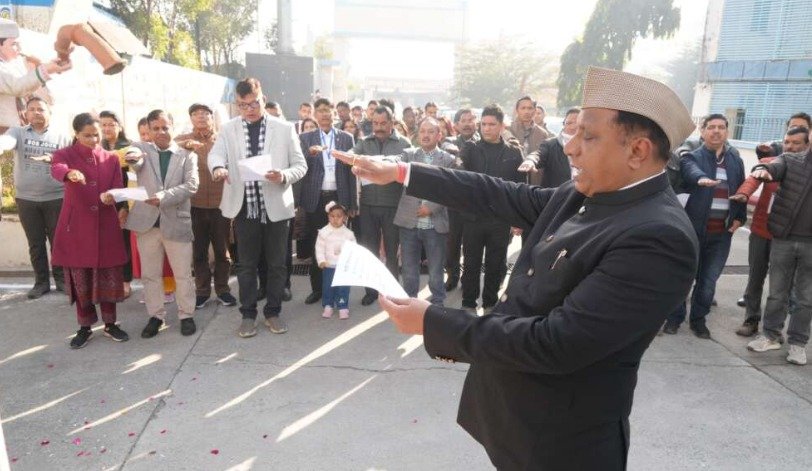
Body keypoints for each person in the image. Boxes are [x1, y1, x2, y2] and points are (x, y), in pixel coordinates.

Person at [332, 66, 699, 470]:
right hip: (517, 419)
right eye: (573, 132)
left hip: (564, 442)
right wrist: (403, 172)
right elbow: (498, 193)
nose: (570, 148)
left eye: (587, 136)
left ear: (638, 151)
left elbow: (557, 343)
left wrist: (433, 322)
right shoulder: (586, 192)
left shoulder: (658, 238)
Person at [209, 78, 307, 338]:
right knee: (246, 265)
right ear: (237, 104)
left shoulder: (284, 128)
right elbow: (216, 154)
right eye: (243, 105)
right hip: (245, 207)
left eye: (253, 104)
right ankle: (248, 314)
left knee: (277, 265)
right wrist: (218, 168)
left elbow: (300, 165)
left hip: (276, 206)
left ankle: (273, 312)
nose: (249, 110)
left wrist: (283, 175)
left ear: (263, 99)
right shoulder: (229, 129)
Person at [663, 114, 746, 339]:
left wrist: (739, 218)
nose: (716, 131)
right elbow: (691, 171)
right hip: (692, 231)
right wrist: (700, 179)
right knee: (683, 277)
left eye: (721, 127)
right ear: (703, 131)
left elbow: (740, 191)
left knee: (708, 282)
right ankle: (674, 319)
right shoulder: (692, 157)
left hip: (721, 234)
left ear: (727, 131)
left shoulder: (735, 161)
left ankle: (699, 321)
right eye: (711, 127)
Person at [51, 113, 129, 348]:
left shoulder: (111, 158)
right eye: (87, 136)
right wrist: (69, 173)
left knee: (108, 276)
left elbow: (118, 187)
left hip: (106, 226)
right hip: (77, 228)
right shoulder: (65, 154)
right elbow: (57, 168)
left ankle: (110, 324)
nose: (94, 140)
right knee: (81, 278)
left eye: (97, 135)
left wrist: (111, 196)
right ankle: (84, 327)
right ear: (76, 134)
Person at [124, 109, 199, 338]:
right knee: (150, 275)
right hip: (146, 224)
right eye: (155, 128)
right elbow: (134, 157)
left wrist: (164, 197)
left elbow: (192, 185)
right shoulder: (141, 149)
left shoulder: (187, 155)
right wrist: (133, 156)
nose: (161, 132)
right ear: (148, 130)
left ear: (172, 127)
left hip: (176, 222)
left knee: (183, 274)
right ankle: (156, 316)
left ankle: (186, 315)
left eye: (165, 127)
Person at [730, 126, 809, 337]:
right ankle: (751, 319)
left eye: (796, 143)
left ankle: (775, 329)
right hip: (761, 231)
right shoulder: (773, 162)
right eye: (787, 142)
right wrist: (744, 194)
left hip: (787, 237)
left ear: (806, 145)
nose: (790, 147)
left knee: (782, 286)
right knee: (755, 278)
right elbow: (754, 177)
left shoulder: (806, 171)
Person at [747, 127, 812, 365]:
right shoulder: (790, 160)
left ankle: (798, 344)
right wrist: (763, 169)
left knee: (805, 299)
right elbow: (773, 167)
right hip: (784, 239)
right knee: (777, 294)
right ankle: (770, 335)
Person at [457, 104, 524, 312]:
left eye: (492, 124)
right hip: (473, 218)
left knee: (496, 265)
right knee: (471, 264)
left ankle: (489, 304)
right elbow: (459, 174)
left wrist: (518, 219)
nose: (486, 128)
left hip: (500, 219)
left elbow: (520, 188)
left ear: (502, 126)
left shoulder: (513, 152)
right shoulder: (470, 149)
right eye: (483, 124)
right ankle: (468, 304)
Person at [5, 97, 70, 298]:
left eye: (40, 109)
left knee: (58, 242)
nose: (36, 112)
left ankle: (62, 280)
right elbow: (6, 142)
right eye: (31, 109)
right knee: (35, 243)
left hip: (56, 198)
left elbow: (71, 161)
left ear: (49, 112)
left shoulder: (62, 136)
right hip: (26, 200)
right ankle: (41, 283)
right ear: (26, 113)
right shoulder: (17, 132)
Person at [175, 103, 237, 310]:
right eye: (196, 114)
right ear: (191, 118)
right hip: (194, 204)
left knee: (222, 250)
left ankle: (223, 289)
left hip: (221, 204)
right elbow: (170, 151)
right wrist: (184, 146)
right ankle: (202, 292)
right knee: (199, 251)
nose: (201, 117)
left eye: (205, 113)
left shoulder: (223, 139)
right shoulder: (183, 141)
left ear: (212, 117)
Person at [350, 105, 412, 306]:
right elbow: (351, 155)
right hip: (368, 205)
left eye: (383, 123)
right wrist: (351, 159)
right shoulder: (364, 142)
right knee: (370, 250)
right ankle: (371, 291)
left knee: (392, 251)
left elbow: (409, 171)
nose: (379, 127)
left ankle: (391, 290)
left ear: (392, 122)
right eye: (375, 123)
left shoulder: (404, 144)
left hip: (393, 205)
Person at [298, 97, 356, 305]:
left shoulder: (346, 138)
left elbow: (352, 172)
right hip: (316, 198)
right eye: (320, 110)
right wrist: (309, 154)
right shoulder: (305, 138)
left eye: (327, 110)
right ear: (314, 114)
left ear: (333, 113)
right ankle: (318, 289)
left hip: (339, 196)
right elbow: (298, 167)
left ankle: (339, 290)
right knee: (319, 244)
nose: (324, 114)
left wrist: (352, 203)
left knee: (340, 245)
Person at [394, 117, 456, 305]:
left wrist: (431, 207)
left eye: (430, 131)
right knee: (409, 270)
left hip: (435, 224)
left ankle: (437, 304)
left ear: (439, 135)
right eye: (422, 131)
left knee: (436, 271)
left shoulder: (448, 160)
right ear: (417, 134)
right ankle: (410, 303)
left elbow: (450, 189)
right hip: (409, 223)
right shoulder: (408, 155)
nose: (426, 135)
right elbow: (393, 164)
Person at [0, 18, 71, 132]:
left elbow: (48, 100)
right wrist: (45, 70)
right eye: (14, 44)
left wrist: (38, 69)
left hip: (22, 132)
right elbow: (17, 87)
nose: (19, 49)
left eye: (19, 44)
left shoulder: (18, 64)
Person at [99, 110, 135, 298]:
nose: (106, 128)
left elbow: (132, 180)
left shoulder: (129, 148)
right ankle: (109, 281)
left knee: (123, 244)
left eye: (111, 124)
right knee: (106, 244)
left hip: (122, 202)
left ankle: (125, 281)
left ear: (119, 126)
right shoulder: (97, 147)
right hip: (103, 203)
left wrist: (126, 207)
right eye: (103, 124)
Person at [444, 109, 479, 292]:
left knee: (472, 245)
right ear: (456, 125)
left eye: (470, 120)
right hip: (454, 202)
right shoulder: (449, 144)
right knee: (452, 243)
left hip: (475, 203)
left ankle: (469, 278)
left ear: (476, 122)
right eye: (463, 120)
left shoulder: (482, 143)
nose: (467, 123)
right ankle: (452, 276)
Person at [315, 201, 355, 319]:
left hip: (343, 267)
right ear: (328, 217)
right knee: (328, 286)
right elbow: (319, 248)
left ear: (344, 217)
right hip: (329, 266)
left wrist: (350, 263)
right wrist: (321, 260)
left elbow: (353, 249)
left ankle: (343, 306)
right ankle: (328, 305)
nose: (335, 219)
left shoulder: (348, 234)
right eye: (332, 216)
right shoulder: (324, 232)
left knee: (343, 287)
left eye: (339, 216)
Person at [524, 107, 579, 189]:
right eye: (569, 123)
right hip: (557, 193)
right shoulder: (550, 144)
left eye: (577, 123)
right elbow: (538, 154)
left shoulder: (592, 145)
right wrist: (530, 160)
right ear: (564, 124)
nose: (573, 127)